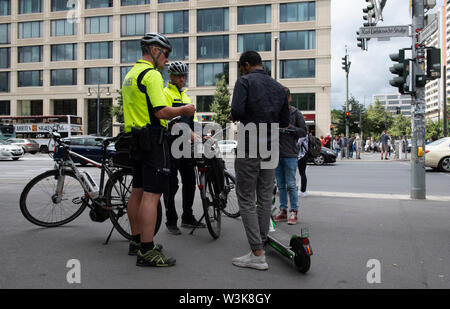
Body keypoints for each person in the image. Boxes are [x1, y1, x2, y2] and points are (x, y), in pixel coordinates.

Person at [122, 33, 196, 267]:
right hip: (153, 139)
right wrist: (184, 109)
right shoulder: (152, 75)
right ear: (154, 50)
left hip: (134, 138)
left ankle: (136, 241)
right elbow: (160, 111)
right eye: (165, 53)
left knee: (137, 191)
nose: (166, 59)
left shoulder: (130, 74)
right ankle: (147, 249)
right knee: (151, 196)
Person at [230, 50, 290, 271]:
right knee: (265, 197)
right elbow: (284, 120)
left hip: (250, 143)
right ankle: (261, 242)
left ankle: (256, 253)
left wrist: (235, 115)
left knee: (245, 197)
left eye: (241, 67)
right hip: (271, 145)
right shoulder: (278, 87)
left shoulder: (244, 82)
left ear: (246, 65)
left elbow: (237, 110)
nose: (241, 71)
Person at [163, 61, 205, 235]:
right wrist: (188, 133)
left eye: (184, 76)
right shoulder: (165, 93)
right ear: (171, 76)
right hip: (170, 145)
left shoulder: (186, 96)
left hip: (185, 147)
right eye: (179, 76)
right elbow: (167, 120)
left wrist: (202, 134)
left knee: (189, 182)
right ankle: (171, 221)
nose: (182, 79)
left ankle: (187, 217)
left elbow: (192, 120)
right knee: (171, 185)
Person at [273, 88, 307, 225]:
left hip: (290, 154)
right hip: (276, 154)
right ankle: (283, 210)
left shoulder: (295, 112)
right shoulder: (274, 113)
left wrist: (290, 128)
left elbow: (303, 131)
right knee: (280, 184)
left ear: (289, 98)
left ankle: (294, 211)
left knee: (291, 184)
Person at [297, 131, 309, 198]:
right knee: (302, 173)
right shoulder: (306, 134)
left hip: (301, 156)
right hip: (304, 155)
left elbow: (297, 143)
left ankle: (303, 191)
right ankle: (303, 191)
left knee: (302, 173)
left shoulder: (302, 135)